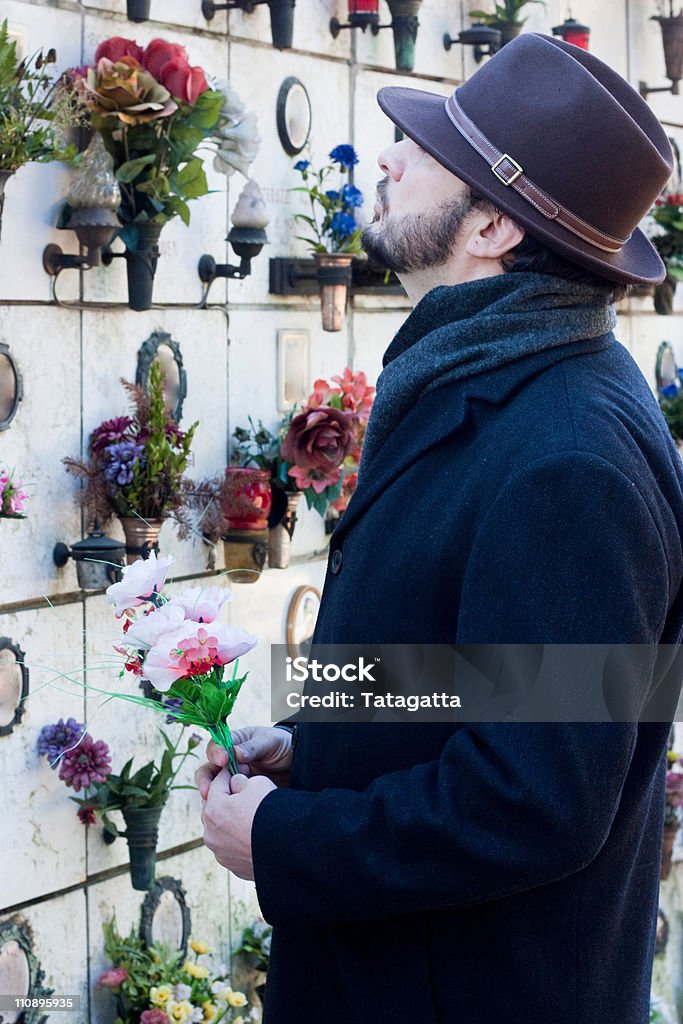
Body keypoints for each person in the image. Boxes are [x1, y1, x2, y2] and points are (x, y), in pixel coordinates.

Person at [196, 33, 683, 1024]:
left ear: (494, 225)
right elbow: (473, 671)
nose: (385, 156)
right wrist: (314, 740)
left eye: (425, 152)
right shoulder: (493, 379)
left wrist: (288, 843)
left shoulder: (570, 458)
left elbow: (533, 797)